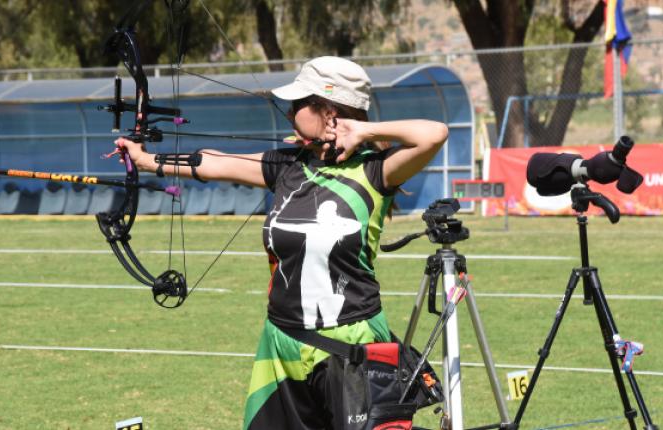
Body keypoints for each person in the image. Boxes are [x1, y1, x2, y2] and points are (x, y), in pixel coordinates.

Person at [115, 56, 448, 430]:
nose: (289, 113)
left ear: (329, 111)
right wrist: (147, 160)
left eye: (297, 104)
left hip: (349, 344)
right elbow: (214, 162)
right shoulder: (287, 165)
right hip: (281, 344)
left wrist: (362, 132)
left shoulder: (376, 169)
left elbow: (434, 133)